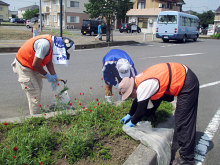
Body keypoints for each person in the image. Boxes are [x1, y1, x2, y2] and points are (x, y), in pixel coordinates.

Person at [119, 62, 199, 165]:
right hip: (181, 75)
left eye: (130, 95)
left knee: (183, 120)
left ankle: (187, 158)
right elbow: (138, 100)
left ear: (132, 89)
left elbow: (140, 111)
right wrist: (130, 114)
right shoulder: (138, 80)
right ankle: (186, 149)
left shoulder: (144, 86)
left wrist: (132, 123)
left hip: (186, 81)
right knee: (151, 102)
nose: (131, 98)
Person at [11, 34, 75, 116]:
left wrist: (54, 75)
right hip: (24, 66)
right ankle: (35, 116)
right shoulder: (44, 45)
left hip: (33, 66)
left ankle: (37, 109)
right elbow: (35, 64)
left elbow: (48, 60)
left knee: (39, 86)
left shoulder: (53, 44)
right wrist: (48, 76)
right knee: (34, 92)